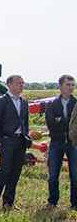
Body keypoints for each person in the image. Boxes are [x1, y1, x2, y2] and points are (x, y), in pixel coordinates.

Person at [0, 74, 30, 211]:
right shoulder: (1, 101)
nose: (22, 85)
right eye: (19, 83)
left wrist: (26, 136)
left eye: (23, 82)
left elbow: (25, 122)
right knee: (4, 171)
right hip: (7, 140)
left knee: (15, 172)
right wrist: (1, 140)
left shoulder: (24, 102)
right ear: (9, 85)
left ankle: (8, 202)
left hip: (20, 141)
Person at [44, 75, 77, 209]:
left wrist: (60, 120)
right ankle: (52, 202)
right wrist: (68, 122)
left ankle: (75, 204)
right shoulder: (52, 104)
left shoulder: (76, 103)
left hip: (73, 143)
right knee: (53, 175)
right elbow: (51, 123)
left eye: (73, 85)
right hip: (56, 142)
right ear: (60, 86)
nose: (71, 88)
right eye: (68, 85)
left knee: (75, 176)